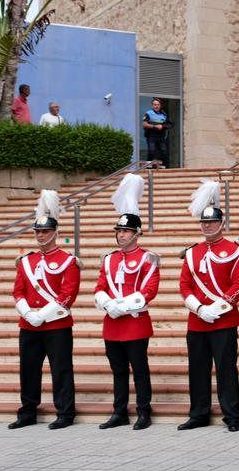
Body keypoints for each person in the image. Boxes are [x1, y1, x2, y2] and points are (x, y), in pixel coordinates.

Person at [178, 185, 239, 432]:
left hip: (224, 320)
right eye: (204, 223)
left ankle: (232, 415)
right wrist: (199, 308)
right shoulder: (192, 252)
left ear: (221, 223)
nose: (207, 226)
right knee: (197, 369)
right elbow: (185, 284)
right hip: (197, 320)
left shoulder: (234, 250)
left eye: (212, 222)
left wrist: (216, 308)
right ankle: (199, 413)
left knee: (226, 369)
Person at [9, 190, 78, 429]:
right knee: (28, 369)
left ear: (55, 233)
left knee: (61, 369)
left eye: (45, 231)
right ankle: (27, 412)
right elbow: (18, 291)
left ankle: (65, 413)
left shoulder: (68, 261)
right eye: (38, 232)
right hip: (28, 323)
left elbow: (68, 294)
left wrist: (43, 315)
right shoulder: (26, 261)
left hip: (56, 323)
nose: (40, 235)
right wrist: (28, 314)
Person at [93, 189, 159, 431]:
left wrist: (120, 306)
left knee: (139, 370)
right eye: (119, 231)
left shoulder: (148, 258)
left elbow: (149, 290)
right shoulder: (109, 258)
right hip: (112, 324)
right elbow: (100, 286)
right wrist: (107, 303)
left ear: (136, 233)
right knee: (118, 370)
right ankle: (119, 411)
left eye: (125, 231)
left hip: (135, 322)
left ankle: (144, 411)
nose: (121, 235)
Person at [142, 98, 171, 168]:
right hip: (151, 135)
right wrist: (155, 126)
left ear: (160, 106)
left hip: (161, 136)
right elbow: (144, 124)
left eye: (158, 105)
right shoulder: (148, 113)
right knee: (152, 151)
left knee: (164, 151)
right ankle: (149, 167)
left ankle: (163, 166)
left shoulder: (164, 114)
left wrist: (163, 126)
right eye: (155, 104)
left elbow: (168, 124)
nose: (156, 106)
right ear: (152, 105)